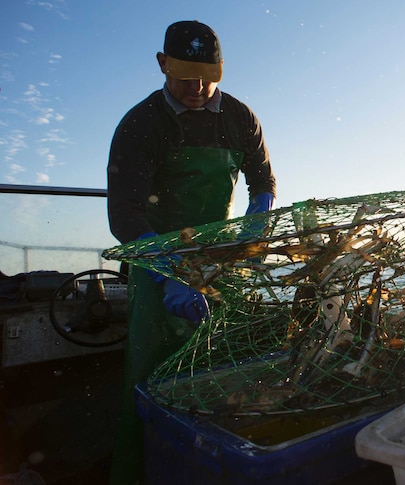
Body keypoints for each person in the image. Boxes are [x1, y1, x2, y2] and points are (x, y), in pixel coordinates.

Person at [106, 20, 276, 484]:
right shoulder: (141, 124)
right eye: (186, 78)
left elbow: (262, 178)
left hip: (220, 261)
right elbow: (125, 213)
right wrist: (169, 275)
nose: (199, 89)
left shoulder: (240, 117)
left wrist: (257, 220)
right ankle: (143, 471)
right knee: (153, 375)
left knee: (222, 369)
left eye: (208, 77)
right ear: (162, 65)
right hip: (155, 263)